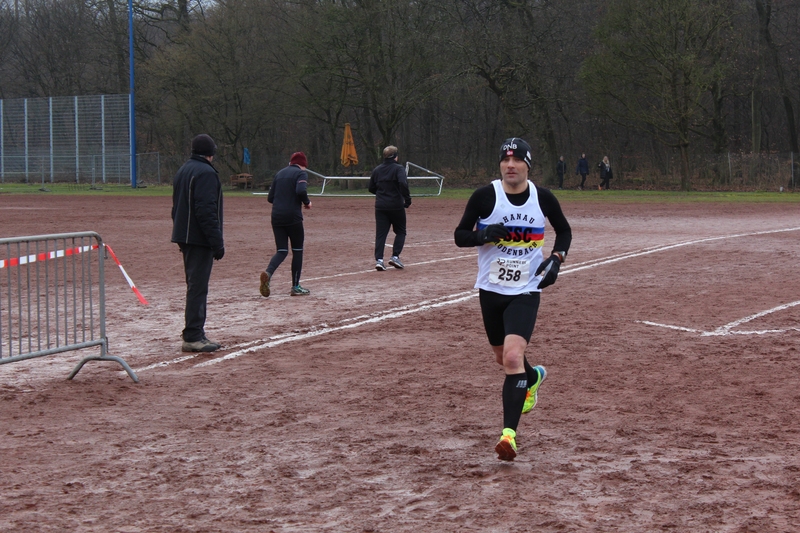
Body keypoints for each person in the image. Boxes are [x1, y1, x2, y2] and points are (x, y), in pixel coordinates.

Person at [454, 137, 572, 462]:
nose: (510, 165)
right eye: (505, 160)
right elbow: (459, 236)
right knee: (503, 359)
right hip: (491, 290)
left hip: (526, 290)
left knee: (511, 357)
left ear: (527, 165)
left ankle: (508, 436)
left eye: (517, 160)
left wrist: (557, 259)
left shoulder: (542, 198)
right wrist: (481, 235)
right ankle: (533, 377)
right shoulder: (484, 197)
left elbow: (564, 231)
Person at [171, 134, 225, 352]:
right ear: (211, 153)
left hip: (186, 236)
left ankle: (195, 332)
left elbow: (176, 207)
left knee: (194, 285)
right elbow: (206, 210)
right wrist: (217, 241)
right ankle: (193, 335)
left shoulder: (183, 170)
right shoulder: (206, 173)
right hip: (198, 238)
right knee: (198, 287)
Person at [260, 152, 313, 297]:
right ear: (303, 164)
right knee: (297, 250)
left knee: (282, 250)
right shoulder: (301, 173)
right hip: (293, 217)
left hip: (276, 216)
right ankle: (295, 286)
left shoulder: (279, 174)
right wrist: (307, 202)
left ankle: (268, 273)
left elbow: (270, 198)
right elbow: (301, 190)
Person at [369, 145, 412, 271]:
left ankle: (379, 260)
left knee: (381, 234)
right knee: (401, 231)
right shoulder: (398, 169)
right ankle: (395, 256)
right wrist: (407, 199)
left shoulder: (377, 170)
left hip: (380, 206)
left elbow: (371, 188)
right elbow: (403, 183)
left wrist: (382, 194)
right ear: (395, 156)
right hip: (396, 205)